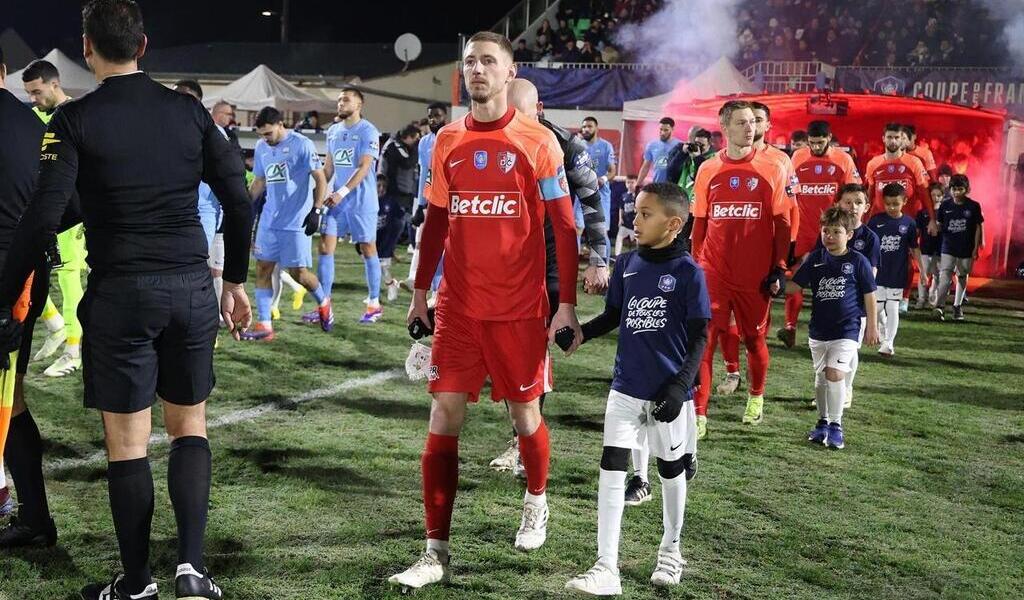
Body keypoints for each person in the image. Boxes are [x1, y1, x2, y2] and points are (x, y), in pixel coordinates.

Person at [0, 2, 254, 597]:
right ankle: (191, 571)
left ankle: (137, 584)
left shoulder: (73, 121)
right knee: (190, 428)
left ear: (87, 49)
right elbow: (238, 201)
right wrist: (234, 281)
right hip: (189, 287)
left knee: (128, 444)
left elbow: (43, 219)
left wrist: (4, 295)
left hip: (121, 294)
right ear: (144, 46)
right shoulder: (189, 113)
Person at [389, 31, 581, 591]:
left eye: (488, 61)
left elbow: (565, 229)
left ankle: (536, 501)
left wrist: (565, 305)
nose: (477, 70)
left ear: (508, 72)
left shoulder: (538, 141)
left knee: (524, 416)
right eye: (469, 61)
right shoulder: (446, 140)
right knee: (442, 418)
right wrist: (422, 292)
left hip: (520, 310)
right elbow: (438, 225)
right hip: (459, 309)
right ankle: (434, 551)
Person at [565, 182, 708, 594]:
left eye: (646, 214)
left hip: (669, 393)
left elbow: (700, 336)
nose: (635, 219)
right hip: (625, 387)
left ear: (674, 224)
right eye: (636, 211)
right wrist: (580, 335)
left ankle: (670, 551)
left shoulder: (688, 273)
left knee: (670, 471)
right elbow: (614, 316)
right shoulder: (627, 263)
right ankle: (606, 566)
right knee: (611, 467)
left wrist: (681, 387)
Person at [488, 79, 608, 477]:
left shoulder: (566, 145)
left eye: (521, 115)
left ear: (538, 109)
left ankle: (524, 442)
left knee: (533, 347)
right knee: (511, 351)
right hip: (506, 260)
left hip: (553, 257)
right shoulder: (491, 136)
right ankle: (524, 435)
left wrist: (600, 259)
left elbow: (592, 201)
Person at [691, 100, 793, 439]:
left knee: (753, 339)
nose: (750, 127)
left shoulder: (774, 167)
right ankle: (699, 414)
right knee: (705, 343)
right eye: (741, 122)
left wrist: (779, 267)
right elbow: (700, 225)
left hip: (755, 276)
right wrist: (695, 266)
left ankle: (755, 396)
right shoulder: (707, 169)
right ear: (725, 127)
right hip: (714, 273)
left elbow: (781, 224)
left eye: (753, 121)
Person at [0, 44, 58, 549]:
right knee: (10, 396)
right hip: (25, 277)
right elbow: (72, 203)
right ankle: (33, 516)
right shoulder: (37, 126)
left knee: (8, 398)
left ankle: (26, 510)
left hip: (8, 280)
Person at [786, 206, 879, 450]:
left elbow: (870, 295)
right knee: (820, 378)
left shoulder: (858, 261)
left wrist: (872, 327)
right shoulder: (815, 259)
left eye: (836, 231)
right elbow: (794, 286)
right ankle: (822, 423)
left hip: (847, 329)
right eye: (825, 231)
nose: (829, 236)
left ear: (848, 235)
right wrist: (771, 283)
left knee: (835, 374)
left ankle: (836, 427)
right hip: (818, 330)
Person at [21, 59, 88, 377]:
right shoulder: (36, 117)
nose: (33, 99)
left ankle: (74, 350)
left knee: (69, 277)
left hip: (72, 212)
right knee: (28, 270)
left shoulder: (77, 114)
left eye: (37, 92)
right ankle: (55, 326)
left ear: (54, 84)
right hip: (44, 208)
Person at [243, 107, 332, 341]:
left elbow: (320, 177)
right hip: (269, 220)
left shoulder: (302, 144)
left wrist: (316, 210)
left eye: (269, 133)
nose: (265, 139)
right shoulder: (263, 147)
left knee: (298, 273)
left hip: (296, 221)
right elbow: (260, 181)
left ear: (281, 125)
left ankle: (324, 302)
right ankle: (264, 325)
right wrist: (244, 205)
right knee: (262, 268)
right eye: (262, 135)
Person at [779, 120, 861, 348]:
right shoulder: (797, 157)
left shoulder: (843, 159)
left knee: (829, 284)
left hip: (833, 231)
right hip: (803, 230)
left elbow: (854, 194)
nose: (816, 147)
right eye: (812, 143)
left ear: (829, 138)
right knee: (796, 279)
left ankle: (831, 330)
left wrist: (852, 224)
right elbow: (790, 192)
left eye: (820, 142)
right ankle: (790, 327)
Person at [318, 87, 383, 324]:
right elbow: (328, 169)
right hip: (337, 202)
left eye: (346, 99)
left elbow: (364, 166)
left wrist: (342, 192)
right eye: (339, 100)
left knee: (367, 248)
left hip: (361, 201)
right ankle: (324, 304)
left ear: (359, 104)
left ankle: (374, 303)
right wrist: (316, 195)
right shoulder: (333, 131)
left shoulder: (368, 131)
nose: (340, 103)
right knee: (325, 247)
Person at [815, 183, 879, 407]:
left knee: (849, 347)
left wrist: (871, 321)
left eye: (858, 202)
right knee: (825, 349)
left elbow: (870, 276)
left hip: (855, 306)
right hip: (827, 303)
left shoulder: (870, 238)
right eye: (848, 202)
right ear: (838, 204)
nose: (853, 207)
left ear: (866, 207)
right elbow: (817, 264)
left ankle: (846, 388)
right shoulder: (826, 233)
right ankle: (824, 393)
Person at [867, 184, 922, 356]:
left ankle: (889, 343)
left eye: (895, 204)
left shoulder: (909, 224)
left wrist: (923, 271)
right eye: (888, 204)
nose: (891, 207)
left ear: (904, 202)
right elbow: (868, 247)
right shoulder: (875, 221)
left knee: (892, 307)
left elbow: (914, 248)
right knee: (877, 309)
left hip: (897, 273)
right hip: (877, 273)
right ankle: (884, 335)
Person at [405, 102, 447, 294]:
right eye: (430, 116)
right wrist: (422, 203)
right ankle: (431, 289)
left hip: (450, 201)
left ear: (444, 116)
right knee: (428, 242)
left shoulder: (453, 136)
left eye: (437, 115)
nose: (432, 119)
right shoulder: (424, 142)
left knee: (447, 246)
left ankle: (440, 289)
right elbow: (424, 174)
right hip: (431, 200)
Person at [864, 123, 936, 234]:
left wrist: (932, 219)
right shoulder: (873, 164)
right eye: (889, 137)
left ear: (902, 139)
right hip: (880, 223)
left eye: (896, 137)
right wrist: (864, 220)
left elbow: (924, 193)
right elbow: (869, 195)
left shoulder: (914, 163)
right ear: (883, 139)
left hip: (907, 223)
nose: (893, 141)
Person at [378, 125, 420, 302]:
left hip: (397, 199)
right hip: (394, 198)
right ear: (408, 137)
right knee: (376, 247)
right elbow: (408, 162)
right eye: (415, 139)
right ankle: (388, 284)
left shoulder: (396, 146)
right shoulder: (396, 147)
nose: (416, 142)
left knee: (381, 248)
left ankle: (384, 287)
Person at [933, 174, 984, 321]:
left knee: (962, 276)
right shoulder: (945, 205)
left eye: (960, 189)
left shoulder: (973, 206)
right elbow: (940, 226)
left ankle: (957, 306)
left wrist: (976, 247)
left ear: (967, 189)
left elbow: (978, 227)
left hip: (966, 248)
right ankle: (939, 307)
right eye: (954, 189)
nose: (957, 192)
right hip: (948, 247)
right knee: (945, 276)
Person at [580, 116, 617, 261]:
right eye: (584, 127)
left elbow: (612, 170)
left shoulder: (606, 146)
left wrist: (604, 178)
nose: (586, 129)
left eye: (589, 126)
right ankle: (575, 264)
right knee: (576, 229)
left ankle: (604, 266)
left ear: (596, 128)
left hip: (601, 194)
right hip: (582, 192)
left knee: (601, 232)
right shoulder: (578, 146)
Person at [915, 183, 944, 308]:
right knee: (924, 274)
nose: (936, 198)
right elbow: (917, 230)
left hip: (940, 249)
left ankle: (933, 297)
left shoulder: (945, 212)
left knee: (938, 275)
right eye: (933, 195)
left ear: (943, 196)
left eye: (938, 195)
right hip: (925, 249)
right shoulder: (923, 213)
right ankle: (921, 299)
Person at [635, 117, 682, 190]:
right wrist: (637, 184)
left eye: (666, 130)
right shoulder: (652, 145)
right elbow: (645, 166)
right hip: (657, 185)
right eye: (661, 129)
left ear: (672, 129)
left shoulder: (680, 145)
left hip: (674, 187)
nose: (662, 133)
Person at [614, 176, 638, 256]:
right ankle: (617, 255)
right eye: (628, 182)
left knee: (638, 241)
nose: (630, 184)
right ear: (625, 184)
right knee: (619, 237)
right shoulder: (624, 195)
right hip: (625, 222)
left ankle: (638, 257)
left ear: (636, 183)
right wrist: (620, 219)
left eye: (632, 182)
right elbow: (621, 208)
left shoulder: (638, 195)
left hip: (634, 224)